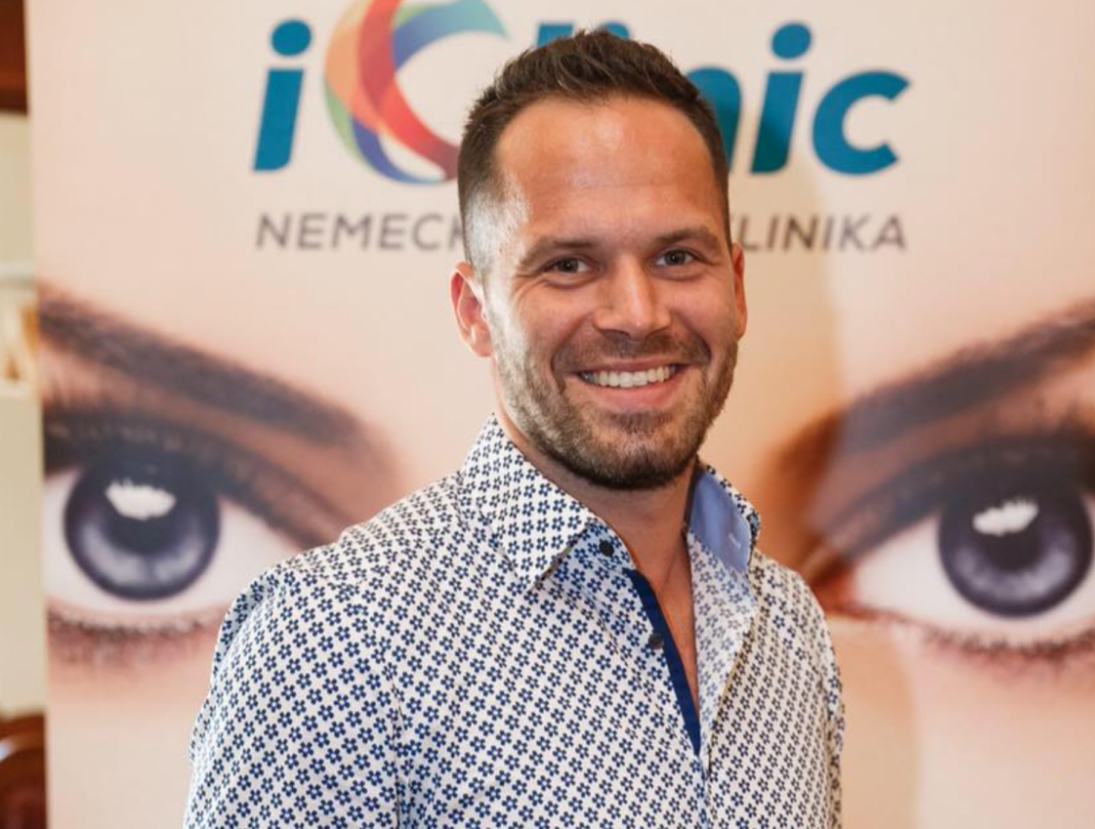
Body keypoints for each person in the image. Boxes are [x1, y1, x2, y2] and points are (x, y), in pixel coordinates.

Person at [182, 31, 844, 828]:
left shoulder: (789, 625)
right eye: (569, 264)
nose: (638, 314)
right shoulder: (334, 641)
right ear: (475, 311)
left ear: (736, 286)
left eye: (676, 256)